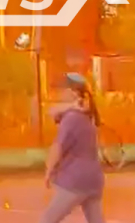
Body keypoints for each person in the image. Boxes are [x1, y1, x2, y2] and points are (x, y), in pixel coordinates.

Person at [40, 72, 105, 223]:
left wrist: (48, 171)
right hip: (94, 181)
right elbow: (52, 111)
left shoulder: (71, 118)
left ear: (72, 92)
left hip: (75, 181)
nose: (60, 93)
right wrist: (72, 105)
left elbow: (58, 147)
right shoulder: (89, 117)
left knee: (47, 220)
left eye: (63, 90)